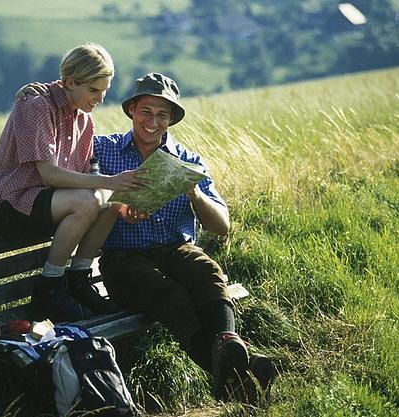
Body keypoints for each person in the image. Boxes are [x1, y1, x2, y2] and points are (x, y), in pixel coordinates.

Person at [92, 73, 274, 404]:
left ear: (172, 119)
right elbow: (80, 178)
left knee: (207, 272)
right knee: (170, 293)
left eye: (162, 114)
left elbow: (221, 226)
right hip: (123, 260)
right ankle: (242, 372)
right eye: (146, 111)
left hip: (176, 250)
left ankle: (229, 345)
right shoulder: (104, 149)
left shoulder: (188, 161)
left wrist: (194, 193)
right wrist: (115, 201)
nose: (153, 121)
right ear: (132, 110)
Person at [0, 43, 146, 322]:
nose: (99, 99)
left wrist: (112, 189)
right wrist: (108, 181)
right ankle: (50, 287)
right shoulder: (36, 106)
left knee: (110, 203)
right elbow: (49, 174)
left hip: (48, 201)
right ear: (68, 82)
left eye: (104, 91)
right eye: (93, 90)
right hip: (11, 203)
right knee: (89, 200)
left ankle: (79, 280)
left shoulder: (85, 121)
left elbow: (83, 176)